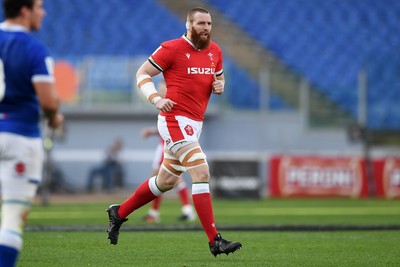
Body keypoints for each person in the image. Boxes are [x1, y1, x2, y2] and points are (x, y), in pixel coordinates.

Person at [106, 7, 242, 256]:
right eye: (201, 23)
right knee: (201, 171)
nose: (206, 28)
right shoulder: (171, 48)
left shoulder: (215, 51)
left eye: (209, 24)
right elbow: (142, 73)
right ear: (189, 25)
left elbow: (217, 80)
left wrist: (220, 85)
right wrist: (156, 98)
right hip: (173, 120)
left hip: (194, 124)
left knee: (165, 182)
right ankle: (215, 240)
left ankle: (119, 212)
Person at [0, 0, 64, 266]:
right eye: (39, 6)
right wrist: (54, 117)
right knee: (13, 216)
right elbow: (48, 102)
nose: (43, 12)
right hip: (20, 136)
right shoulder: (33, 48)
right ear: (25, 11)